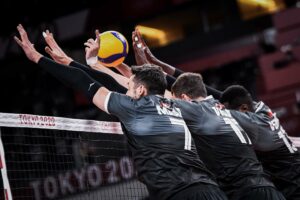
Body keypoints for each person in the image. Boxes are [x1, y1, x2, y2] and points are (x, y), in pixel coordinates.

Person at [15, 24, 228, 200]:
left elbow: (84, 82)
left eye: (130, 86)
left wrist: (36, 57)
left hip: (179, 194)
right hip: (211, 190)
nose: (127, 88)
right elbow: (117, 81)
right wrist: (82, 63)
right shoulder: (177, 104)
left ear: (142, 90)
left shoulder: (135, 107)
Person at [170, 72, 285, 200]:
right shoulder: (227, 111)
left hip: (242, 191)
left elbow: (159, 103)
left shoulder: (198, 111)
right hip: (267, 187)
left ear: (185, 99)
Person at [220, 85, 300, 200]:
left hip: (292, 182)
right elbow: (238, 98)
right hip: (292, 171)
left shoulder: (253, 122)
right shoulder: (262, 108)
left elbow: (219, 111)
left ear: (243, 109)